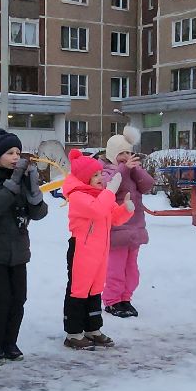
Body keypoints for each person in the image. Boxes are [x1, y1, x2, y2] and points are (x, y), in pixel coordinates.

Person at [0, 129, 48, 364]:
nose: (16, 156)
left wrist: (33, 186)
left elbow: (39, 213)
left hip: (18, 251)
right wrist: (14, 182)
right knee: (0, 298)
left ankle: (10, 341)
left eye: (18, 151)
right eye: (10, 152)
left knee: (18, 298)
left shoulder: (22, 179)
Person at [62, 149, 133, 350]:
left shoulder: (100, 195)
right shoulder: (78, 196)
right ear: (84, 178)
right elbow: (96, 210)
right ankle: (73, 332)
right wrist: (111, 191)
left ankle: (93, 329)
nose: (100, 178)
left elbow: (112, 217)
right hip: (82, 250)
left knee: (95, 290)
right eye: (95, 175)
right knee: (79, 290)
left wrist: (125, 209)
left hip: (99, 249)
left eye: (100, 173)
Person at [100, 130, 153, 319]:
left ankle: (125, 298)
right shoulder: (107, 170)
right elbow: (107, 187)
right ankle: (112, 300)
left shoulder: (133, 172)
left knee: (132, 270)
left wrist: (136, 170)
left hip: (134, 229)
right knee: (116, 268)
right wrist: (123, 169)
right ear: (112, 154)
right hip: (117, 230)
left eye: (129, 153)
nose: (126, 157)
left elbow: (148, 185)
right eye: (122, 153)